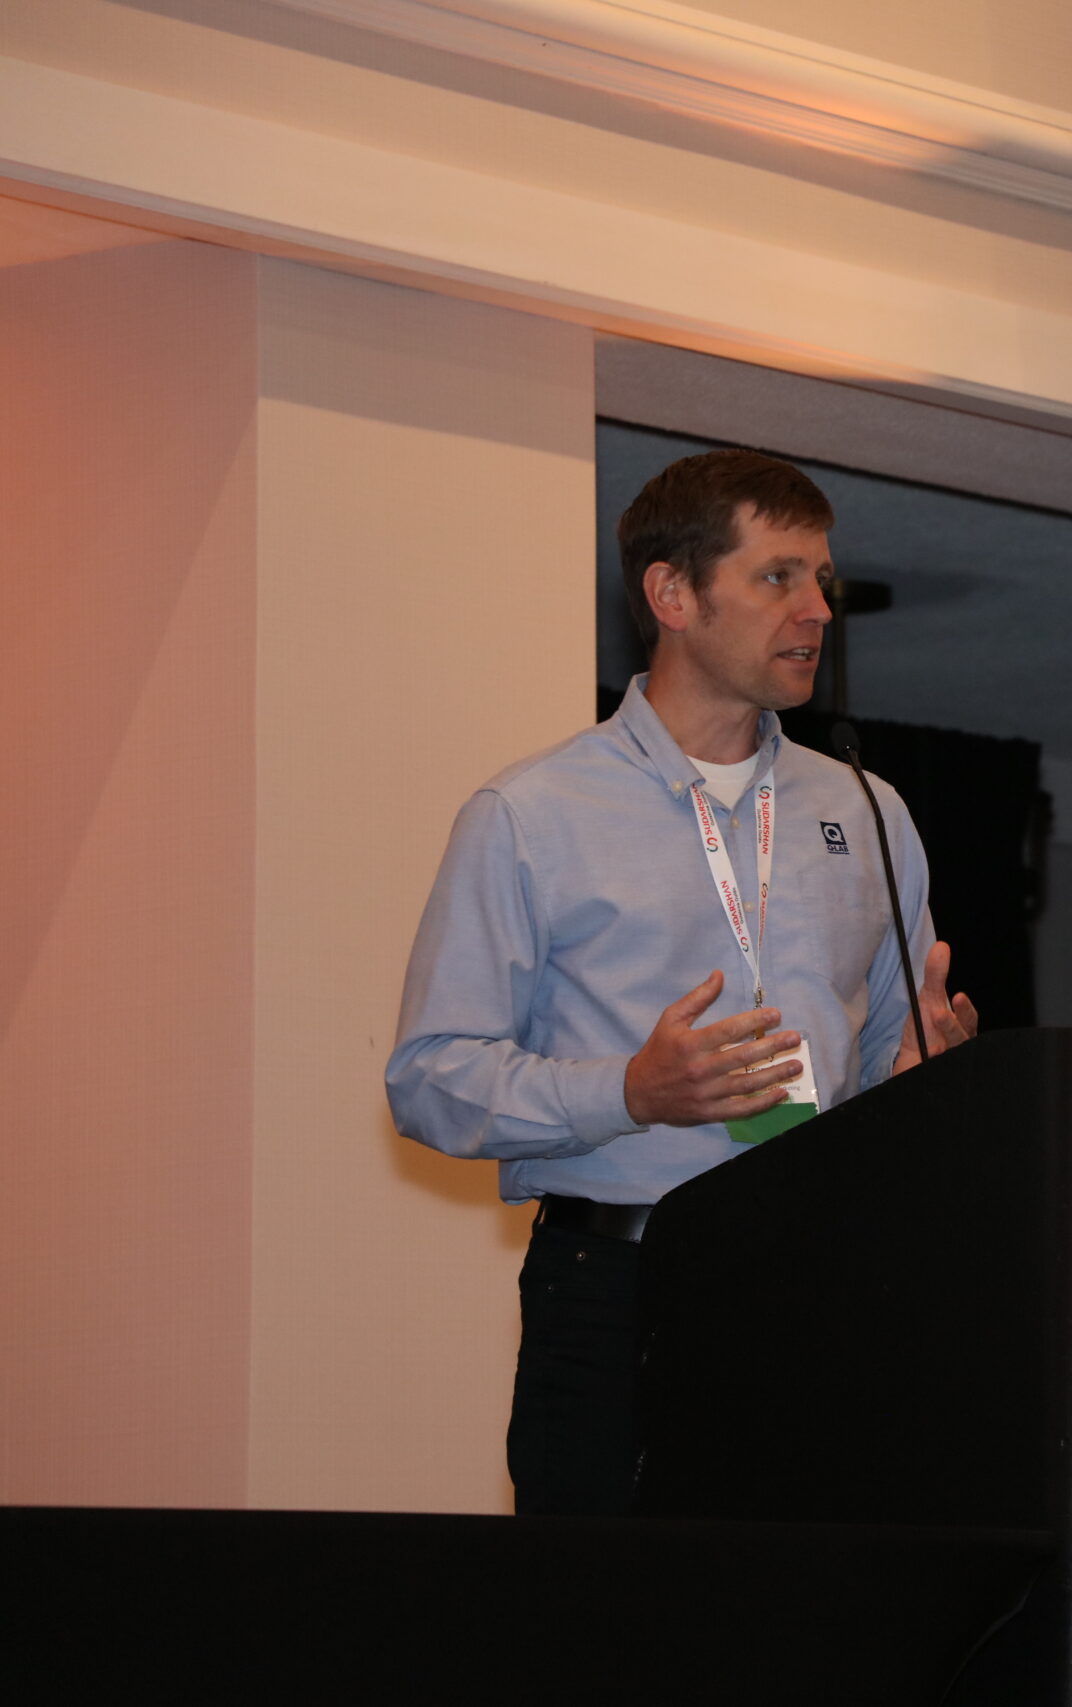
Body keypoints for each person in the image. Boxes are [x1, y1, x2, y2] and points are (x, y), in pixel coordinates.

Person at [386, 448, 977, 1515]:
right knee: (608, 1605)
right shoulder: (532, 814)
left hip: (821, 1285)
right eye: (776, 576)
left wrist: (923, 1087)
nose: (816, 609)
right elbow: (430, 1078)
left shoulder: (867, 809)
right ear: (672, 593)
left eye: (820, 579)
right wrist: (629, 1092)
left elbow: (888, 1072)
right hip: (621, 1287)